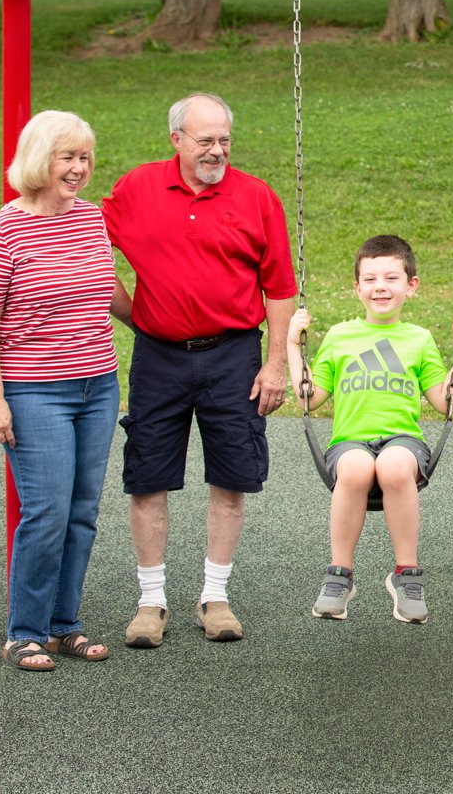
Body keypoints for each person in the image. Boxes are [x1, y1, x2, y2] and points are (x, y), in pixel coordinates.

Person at [102, 93, 296, 648]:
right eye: (205, 140)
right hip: (158, 356)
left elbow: (280, 288)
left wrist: (276, 364)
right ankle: (151, 602)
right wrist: (134, 314)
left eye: (224, 140)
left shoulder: (256, 196)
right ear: (177, 140)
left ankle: (215, 596)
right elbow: (85, 246)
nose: (217, 151)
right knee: (147, 476)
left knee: (232, 476)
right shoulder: (136, 188)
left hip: (234, 354)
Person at [0, 110, 121, 671]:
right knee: (48, 510)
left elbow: (107, 288)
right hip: (36, 390)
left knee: (82, 511)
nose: (79, 168)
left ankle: (63, 625)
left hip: (99, 384)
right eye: (67, 157)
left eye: (85, 157)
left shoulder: (90, 219)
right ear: (39, 159)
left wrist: (162, 327)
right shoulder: (4, 230)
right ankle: (24, 632)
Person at [286, 234, 453, 623]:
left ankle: (406, 575)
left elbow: (445, 401)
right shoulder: (340, 336)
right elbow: (311, 395)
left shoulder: (418, 339)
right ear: (357, 288)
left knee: (393, 465)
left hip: (403, 441)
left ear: (411, 285)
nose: (380, 287)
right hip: (350, 442)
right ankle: (340, 575)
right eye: (370, 279)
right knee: (356, 468)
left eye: (392, 278)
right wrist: (293, 344)